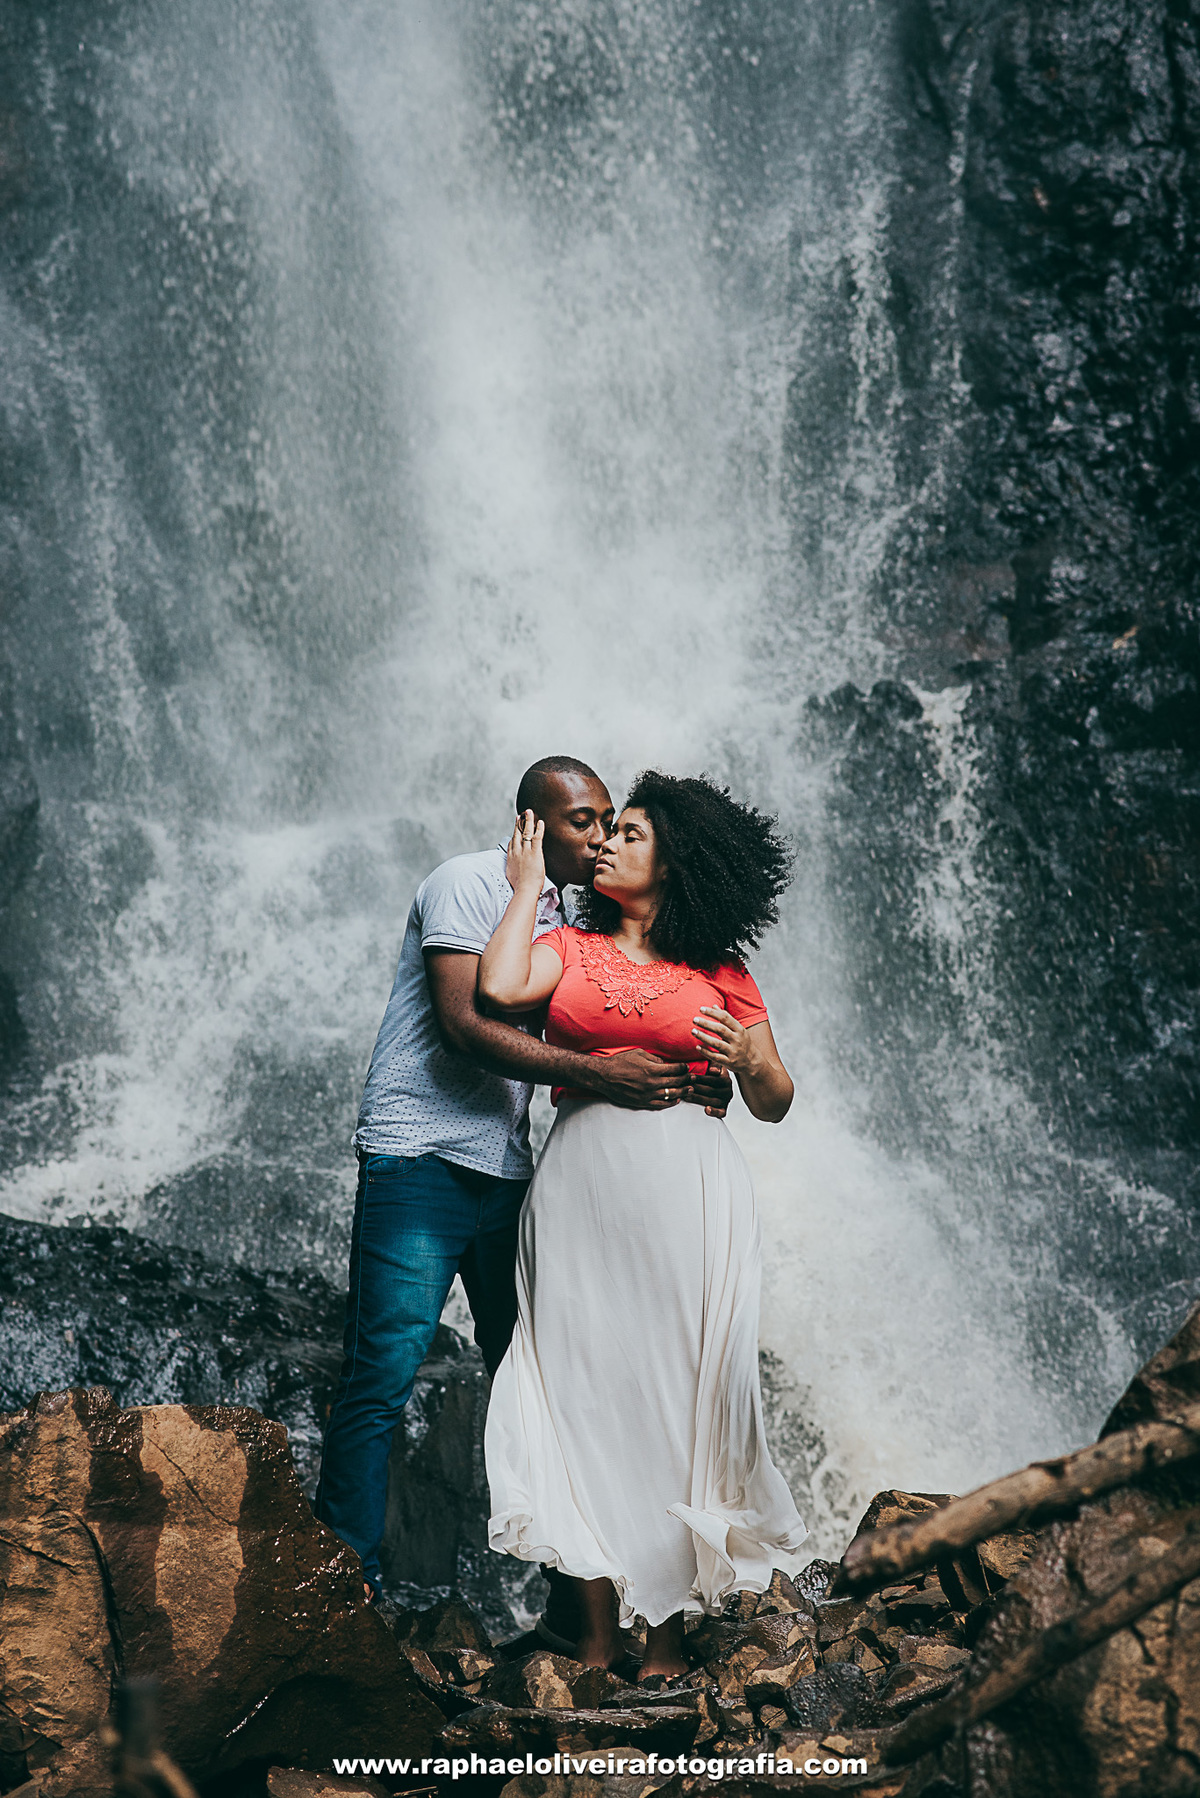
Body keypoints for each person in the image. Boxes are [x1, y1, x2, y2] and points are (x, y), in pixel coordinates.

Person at [315, 756, 731, 1604]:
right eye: (582, 820)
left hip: (507, 1172)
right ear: (533, 825)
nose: (604, 834)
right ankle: (341, 1591)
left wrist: (701, 1077)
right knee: (382, 1375)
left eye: (611, 819)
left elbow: (626, 1015)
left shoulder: (582, 922)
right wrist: (601, 1073)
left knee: (544, 1377)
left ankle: (585, 1608)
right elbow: (467, 1025)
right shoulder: (467, 884)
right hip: (420, 1159)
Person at [479, 770, 807, 1680]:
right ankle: (592, 1634)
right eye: (608, 830)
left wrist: (747, 1060)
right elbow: (501, 986)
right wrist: (525, 890)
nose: (607, 843)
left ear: (674, 860)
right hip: (581, 1190)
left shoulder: (723, 974)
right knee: (579, 1392)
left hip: (687, 1197)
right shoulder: (569, 949)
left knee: (674, 1400)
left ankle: (662, 1633)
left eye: (629, 832)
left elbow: (776, 1100)